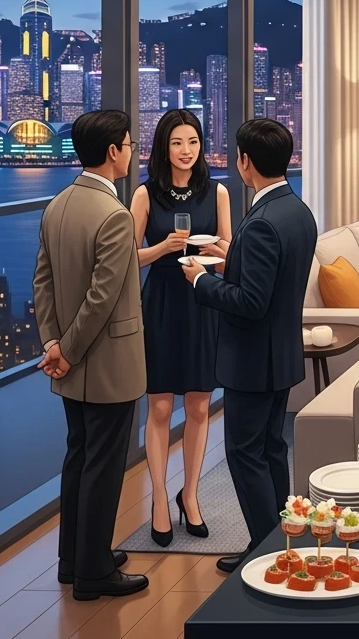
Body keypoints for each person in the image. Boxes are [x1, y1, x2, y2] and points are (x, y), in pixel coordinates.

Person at [181, 119, 317, 574]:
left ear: (245, 162)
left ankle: (267, 556)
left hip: (251, 362)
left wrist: (201, 279)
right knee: (272, 450)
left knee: (245, 454)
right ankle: (282, 543)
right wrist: (231, 258)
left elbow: (251, 303)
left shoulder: (260, 222)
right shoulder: (297, 210)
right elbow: (273, 284)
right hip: (280, 356)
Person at [33, 110, 148, 601]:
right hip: (105, 361)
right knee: (104, 465)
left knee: (79, 456)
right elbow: (102, 300)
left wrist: (53, 345)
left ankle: (73, 560)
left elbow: (42, 282)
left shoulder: (57, 205)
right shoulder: (114, 215)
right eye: (128, 143)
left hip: (69, 359)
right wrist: (71, 350)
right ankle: (95, 573)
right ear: (112, 153)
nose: (132, 151)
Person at [130, 109, 230, 547]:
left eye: (193, 142)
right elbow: (129, 256)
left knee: (199, 406)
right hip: (163, 301)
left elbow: (229, 252)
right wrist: (162, 248)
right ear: (163, 148)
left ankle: (189, 495)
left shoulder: (218, 192)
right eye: (177, 143)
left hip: (203, 298)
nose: (186, 151)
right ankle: (157, 501)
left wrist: (214, 247)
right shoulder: (145, 194)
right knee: (157, 408)